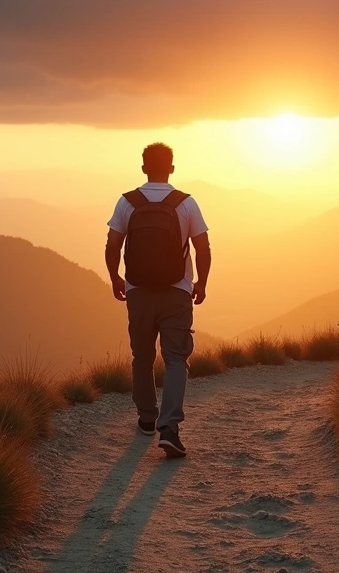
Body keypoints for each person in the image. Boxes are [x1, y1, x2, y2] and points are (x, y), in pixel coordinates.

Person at [105, 143, 211, 458]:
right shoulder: (186, 204)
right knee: (176, 359)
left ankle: (147, 418)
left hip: (138, 292)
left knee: (142, 357)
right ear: (172, 168)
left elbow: (112, 246)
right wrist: (200, 283)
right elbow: (203, 248)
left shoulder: (127, 202)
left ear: (143, 168)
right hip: (177, 291)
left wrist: (115, 278)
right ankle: (169, 429)